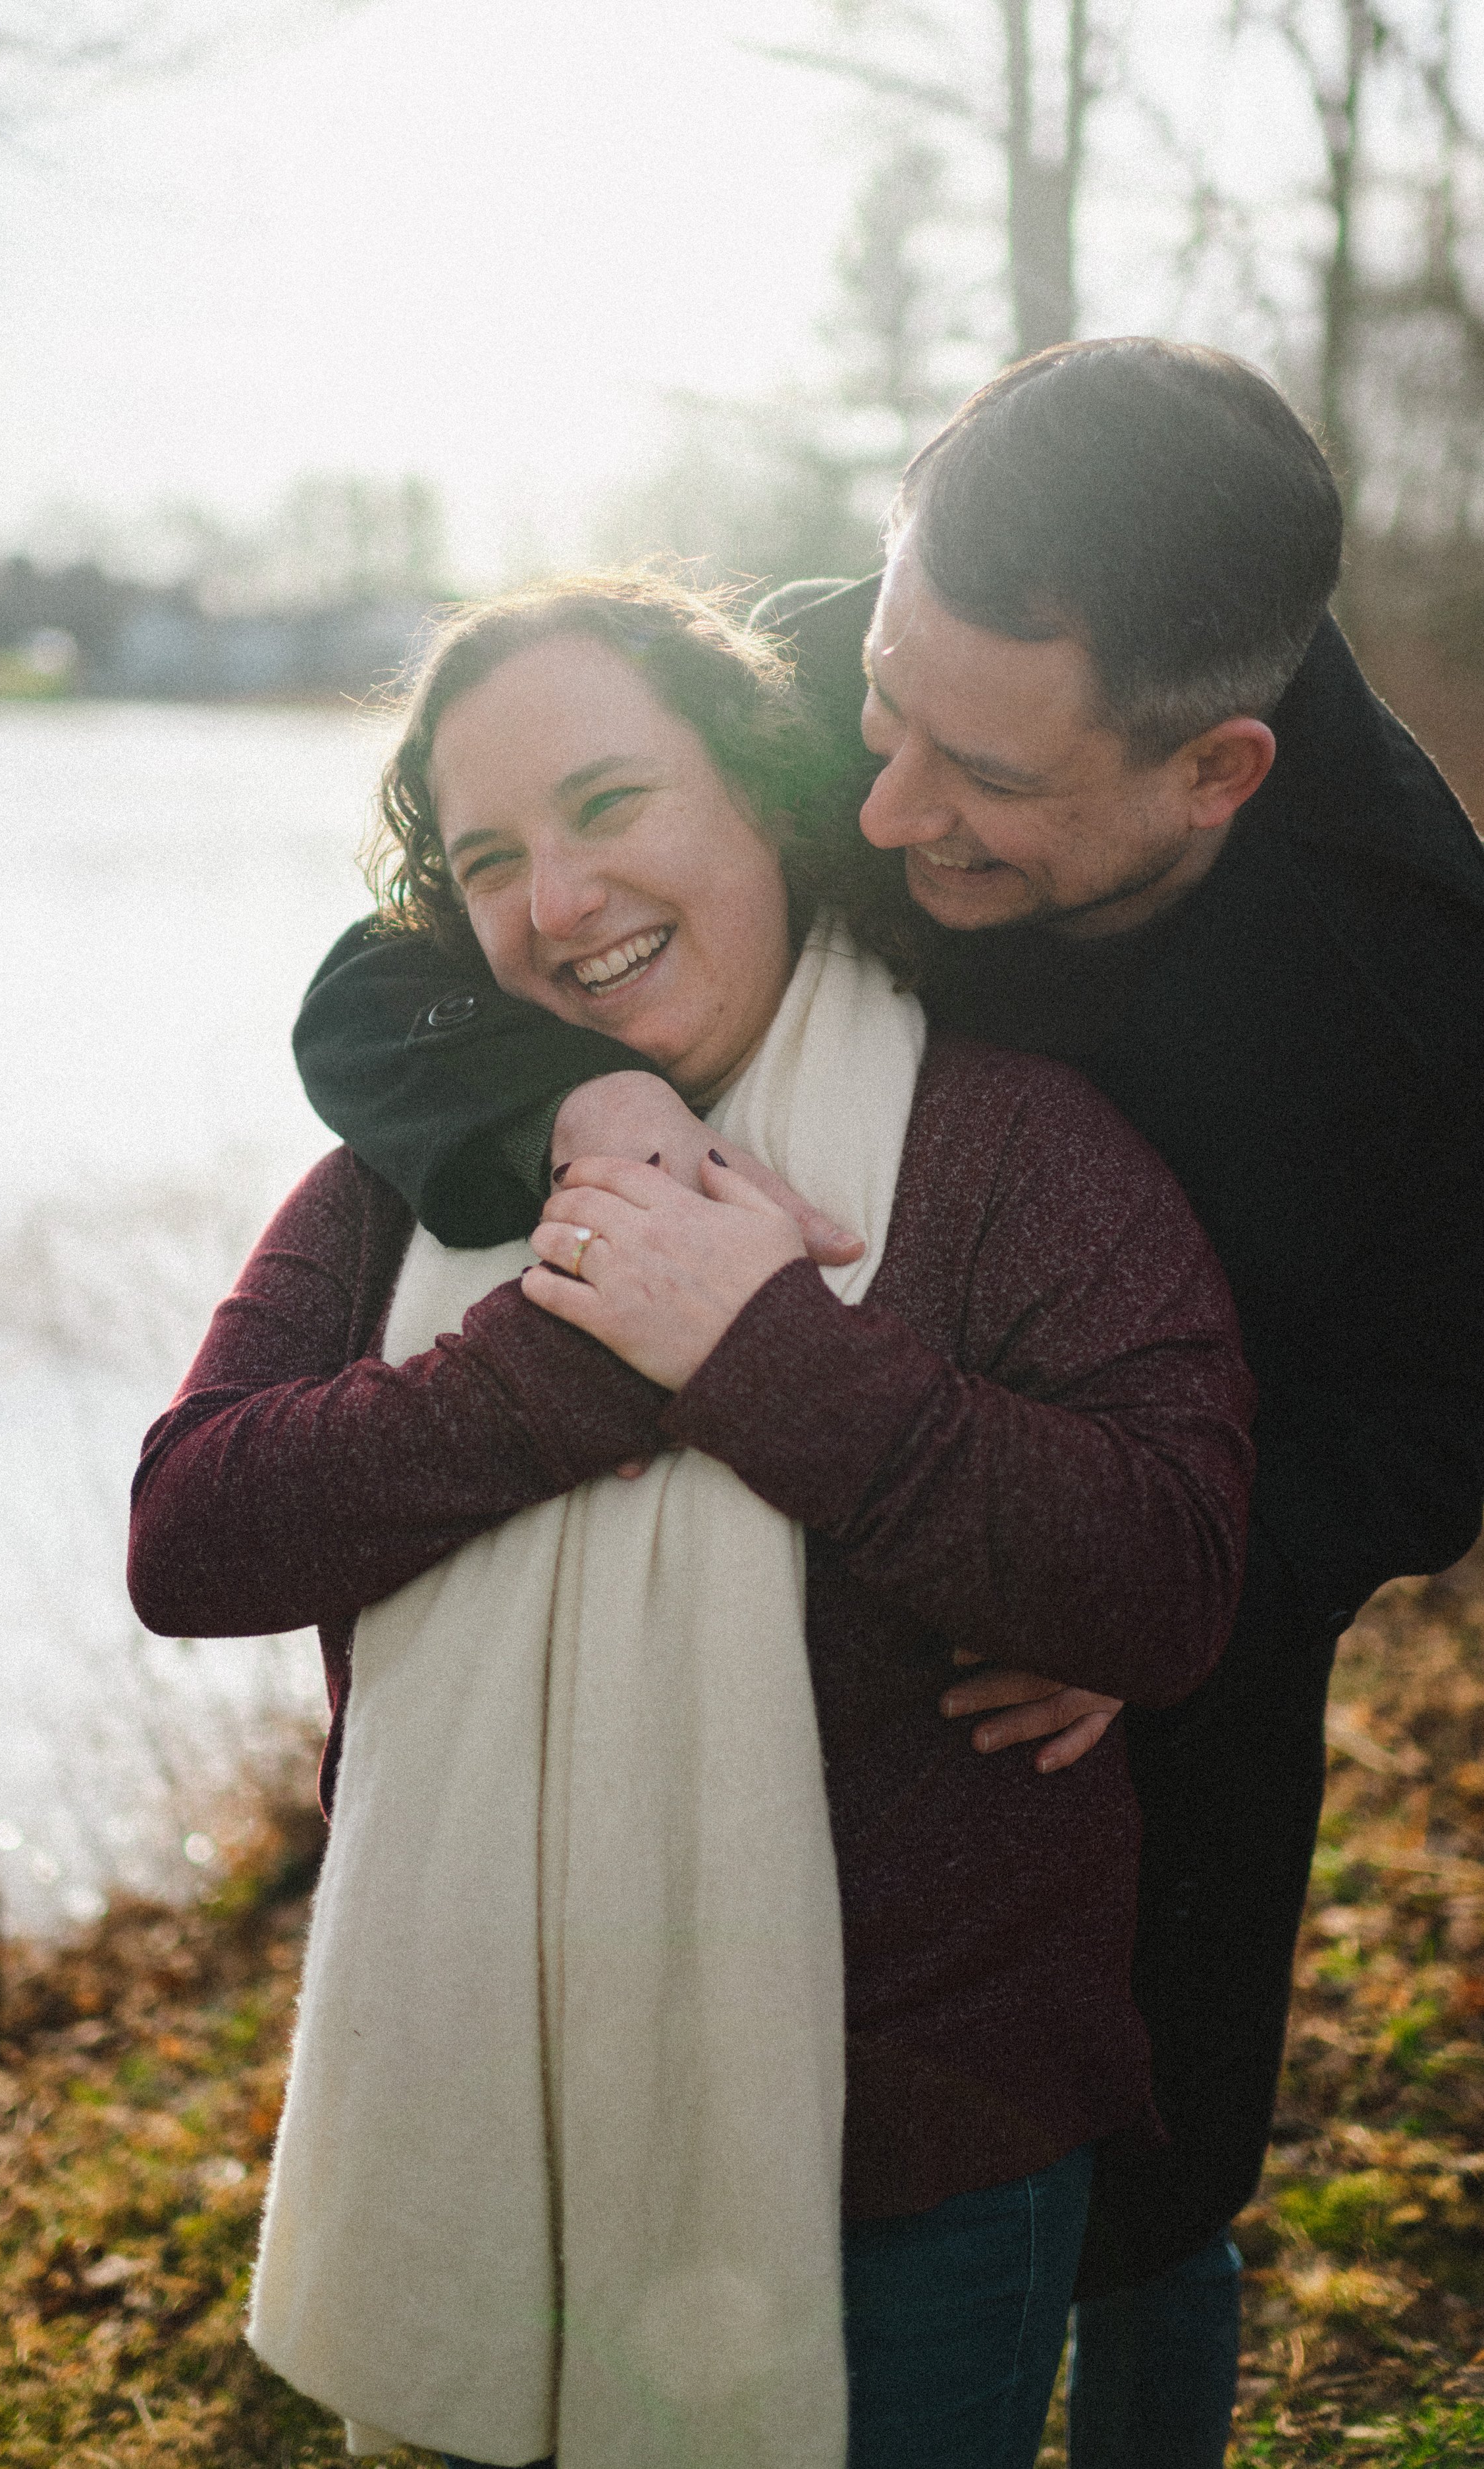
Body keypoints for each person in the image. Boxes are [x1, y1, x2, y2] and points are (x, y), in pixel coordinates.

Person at [287, 343, 1484, 2468]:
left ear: (1215, 772)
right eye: (883, 718)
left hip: (1156, 1657)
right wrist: (584, 1097)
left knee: (1150, 2175)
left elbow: (1436, 1413)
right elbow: (390, 972)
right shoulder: (835, 669)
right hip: (788, 1584)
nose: (889, 803)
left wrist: (1168, 1601)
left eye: (984, 783)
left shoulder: (1415, 989)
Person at [128, 575, 1256, 2469]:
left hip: (909, 2175)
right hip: (490, 2144)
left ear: (763, 803)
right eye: (488, 856)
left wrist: (758, 1347)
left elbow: (1162, 1576)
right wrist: (568, 1361)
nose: (556, 901)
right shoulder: (401, 1193)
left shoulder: (1013, 1147)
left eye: (608, 805)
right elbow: (191, 1535)